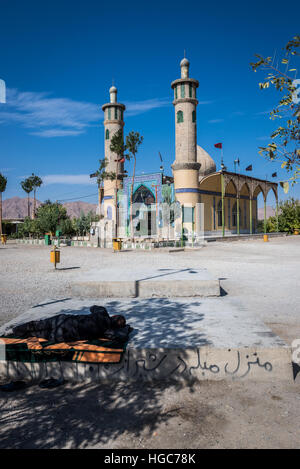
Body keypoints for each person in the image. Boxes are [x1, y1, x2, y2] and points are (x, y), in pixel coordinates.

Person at [7, 305, 130, 344]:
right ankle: (19, 334)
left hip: (65, 320)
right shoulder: (107, 331)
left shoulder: (102, 312)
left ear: (114, 316)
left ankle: (15, 331)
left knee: (37, 325)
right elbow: (120, 337)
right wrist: (126, 329)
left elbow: (92, 307)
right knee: (39, 333)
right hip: (65, 335)